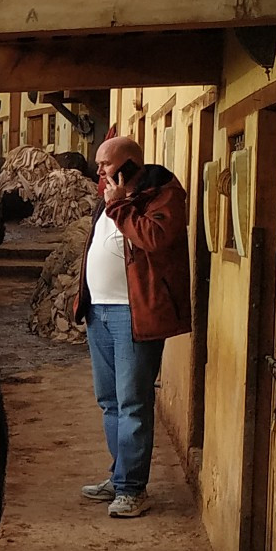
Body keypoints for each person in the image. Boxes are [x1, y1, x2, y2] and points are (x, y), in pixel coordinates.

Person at [73, 134, 192, 517]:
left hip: (133, 315)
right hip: (100, 313)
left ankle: (133, 489)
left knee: (133, 402)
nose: (99, 171)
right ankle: (120, 475)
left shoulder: (163, 194)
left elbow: (154, 238)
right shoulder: (110, 196)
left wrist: (120, 205)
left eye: (105, 165)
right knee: (109, 401)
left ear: (127, 163)